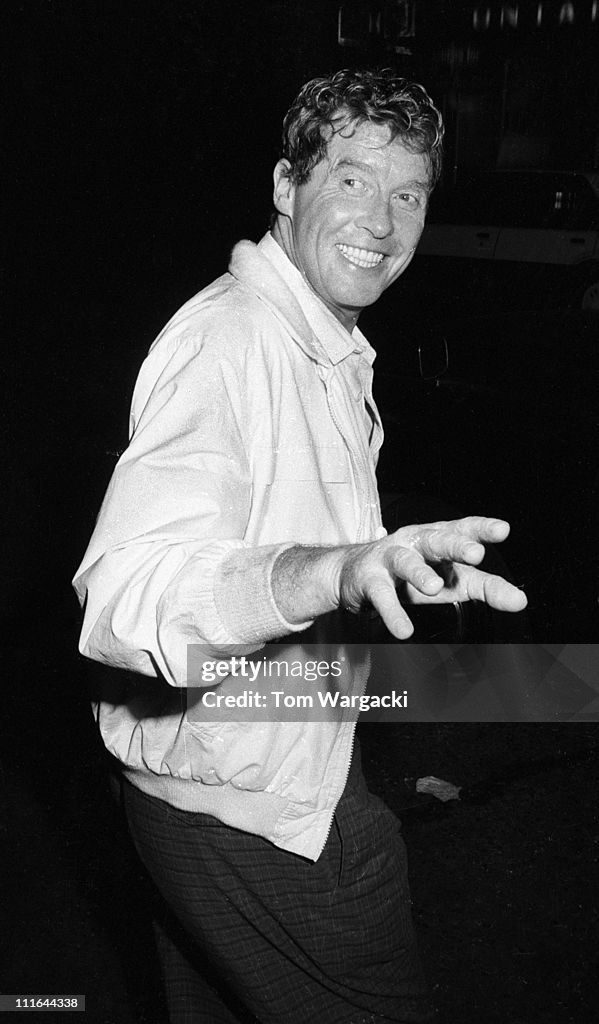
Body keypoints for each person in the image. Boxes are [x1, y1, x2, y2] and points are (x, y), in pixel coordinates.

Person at [73, 68, 527, 1024]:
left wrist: (374, 574)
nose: (383, 219)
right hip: (258, 810)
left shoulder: (318, 340)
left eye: (408, 194)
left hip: (210, 775)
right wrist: (329, 572)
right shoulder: (230, 342)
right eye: (352, 179)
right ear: (286, 186)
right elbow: (127, 597)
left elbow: (278, 541)